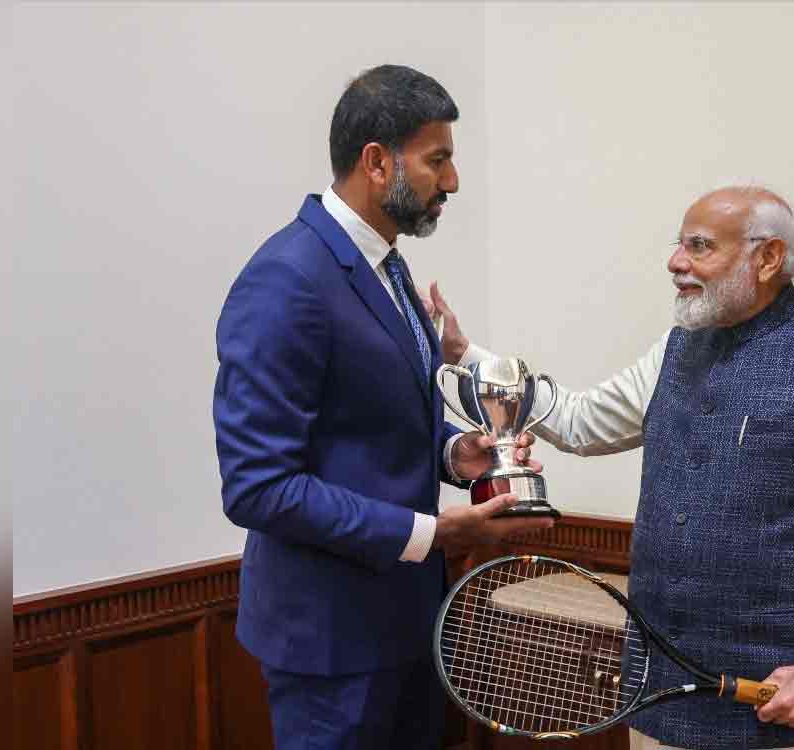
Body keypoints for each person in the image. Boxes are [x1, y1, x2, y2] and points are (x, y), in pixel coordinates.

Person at [432, 186, 794, 750]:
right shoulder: (674, 349)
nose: (675, 261)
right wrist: (468, 359)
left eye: (699, 246)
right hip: (660, 711)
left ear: (768, 258)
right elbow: (581, 422)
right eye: (679, 244)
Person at [212, 64, 553, 750]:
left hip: (408, 625)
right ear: (376, 162)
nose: (451, 182)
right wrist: (433, 536)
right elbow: (257, 487)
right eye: (438, 160)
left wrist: (457, 455)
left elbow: (371, 421)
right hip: (330, 646)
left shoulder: (389, 266)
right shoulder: (287, 279)